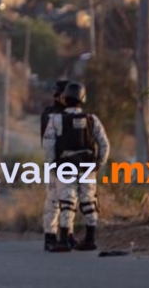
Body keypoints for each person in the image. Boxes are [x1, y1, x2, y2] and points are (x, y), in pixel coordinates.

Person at [43, 82, 110, 252]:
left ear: (65, 99)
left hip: (65, 166)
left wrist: (52, 165)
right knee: (88, 202)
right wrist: (99, 163)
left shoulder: (55, 119)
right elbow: (104, 144)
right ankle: (90, 239)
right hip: (87, 166)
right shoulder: (92, 119)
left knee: (67, 202)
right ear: (83, 98)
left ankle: (64, 241)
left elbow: (48, 145)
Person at [40, 79, 72, 251]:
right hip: (55, 162)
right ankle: (50, 236)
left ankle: (68, 235)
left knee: (70, 201)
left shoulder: (73, 112)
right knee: (53, 201)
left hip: (72, 164)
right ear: (58, 95)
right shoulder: (50, 114)